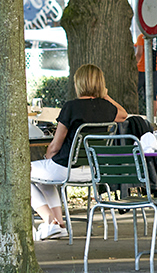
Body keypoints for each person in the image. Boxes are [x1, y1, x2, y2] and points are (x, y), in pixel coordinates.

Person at [30, 62, 129, 241]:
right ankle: (59, 225)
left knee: (21, 173)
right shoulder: (106, 108)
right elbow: (124, 114)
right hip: (91, 171)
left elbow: (55, 145)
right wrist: (107, 97)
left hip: (65, 168)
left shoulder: (71, 107)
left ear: (79, 83)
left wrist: (48, 157)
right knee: (45, 178)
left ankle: (50, 220)